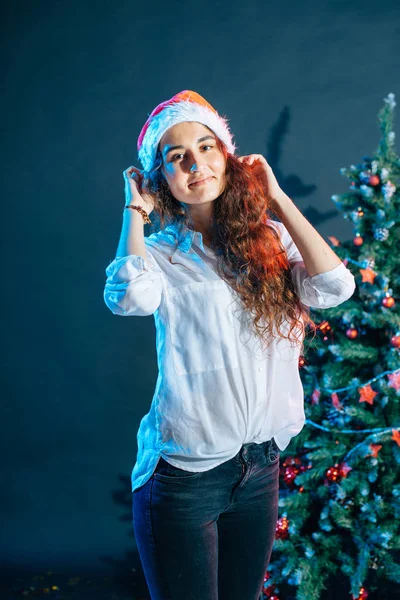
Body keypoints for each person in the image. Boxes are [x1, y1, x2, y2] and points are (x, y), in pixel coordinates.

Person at [103, 90, 356, 600]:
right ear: (162, 179)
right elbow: (129, 297)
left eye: (206, 147)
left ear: (228, 156)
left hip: (259, 468)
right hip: (183, 475)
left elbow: (335, 289)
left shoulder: (274, 240)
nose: (196, 164)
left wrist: (278, 197)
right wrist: (135, 206)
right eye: (177, 158)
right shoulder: (159, 254)